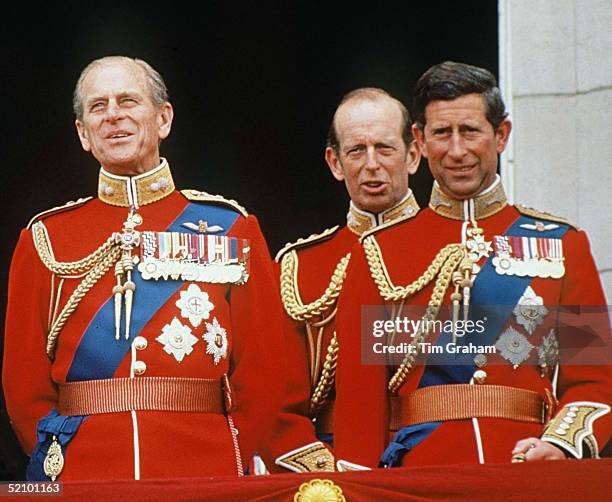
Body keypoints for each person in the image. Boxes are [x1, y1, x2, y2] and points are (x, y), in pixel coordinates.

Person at [2, 56, 285, 481]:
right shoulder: (44, 236)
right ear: (83, 133)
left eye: (128, 100)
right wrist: (54, 458)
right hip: (82, 475)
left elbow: (264, 372)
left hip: (203, 471)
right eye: (98, 106)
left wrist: (230, 457)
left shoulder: (231, 226)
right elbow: (24, 387)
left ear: (163, 118)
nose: (113, 114)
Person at [333, 61, 611, 469]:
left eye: (471, 131)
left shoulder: (560, 244)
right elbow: (361, 405)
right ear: (420, 140)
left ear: (501, 135)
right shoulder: (377, 250)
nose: (457, 150)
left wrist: (560, 444)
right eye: (442, 133)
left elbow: (593, 380)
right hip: (421, 476)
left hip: (526, 470)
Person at [266, 88, 420, 473]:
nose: (371, 164)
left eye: (385, 148)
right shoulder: (297, 268)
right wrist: (326, 475)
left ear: (414, 155)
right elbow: (276, 402)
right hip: (330, 463)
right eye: (356, 151)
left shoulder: (456, 249)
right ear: (335, 162)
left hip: (430, 454)